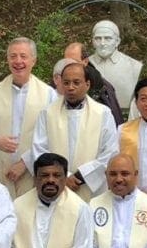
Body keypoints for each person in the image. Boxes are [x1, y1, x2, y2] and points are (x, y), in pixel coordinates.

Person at [0, 38, 56, 198]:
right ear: (7, 60)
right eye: (13, 56)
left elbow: (53, 135)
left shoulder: (48, 94)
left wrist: (26, 162)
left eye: (23, 56)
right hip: (0, 171)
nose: (18, 61)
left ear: (33, 60)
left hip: (33, 172)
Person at [31, 62, 119, 201]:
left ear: (87, 84)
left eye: (76, 82)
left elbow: (110, 152)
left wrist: (79, 176)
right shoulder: (47, 113)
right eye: (66, 83)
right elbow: (39, 149)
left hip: (90, 188)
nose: (70, 87)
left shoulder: (103, 113)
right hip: (56, 185)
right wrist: (63, 176)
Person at [88, 20, 142, 114]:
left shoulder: (133, 66)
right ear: (92, 41)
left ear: (117, 41)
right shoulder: (84, 65)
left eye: (108, 38)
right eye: (98, 39)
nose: (102, 43)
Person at [64, 42, 124, 125]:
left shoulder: (101, 87)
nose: (70, 66)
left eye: (74, 62)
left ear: (85, 61)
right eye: (66, 62)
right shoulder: (58, 82)